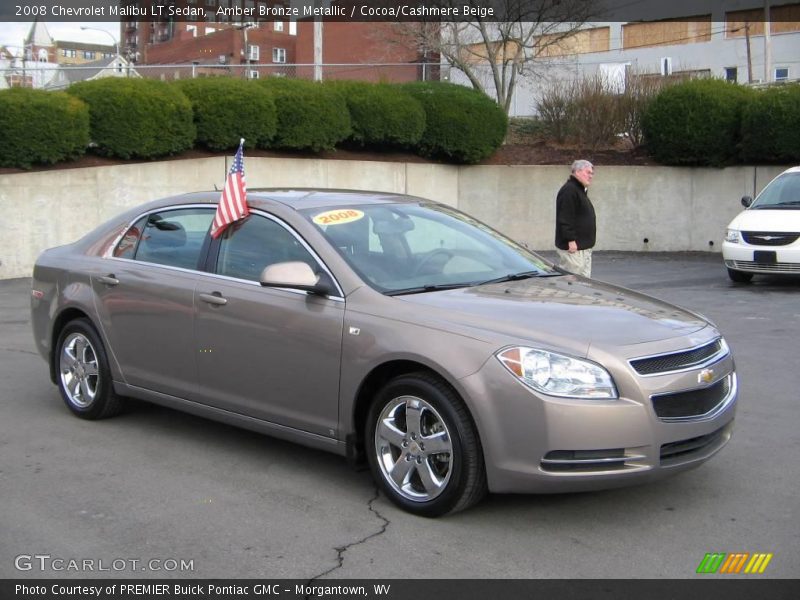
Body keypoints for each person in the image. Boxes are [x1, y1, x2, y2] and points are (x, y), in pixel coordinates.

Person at [555, 159, 596, 277]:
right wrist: (571, 240)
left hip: (583, 248)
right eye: (588, 172)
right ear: (577, 171)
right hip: (573, 249)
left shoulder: (579, 190)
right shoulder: (569, 190)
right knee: (570, 283)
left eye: (592, 173)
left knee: (583, 285)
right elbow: (565, 217)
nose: (591, 176)